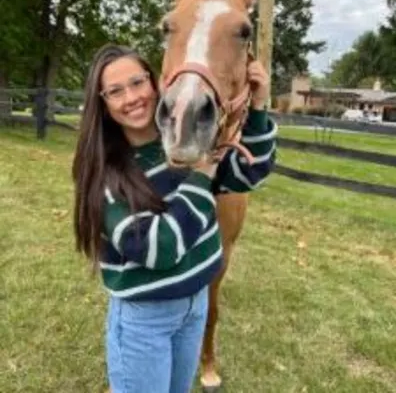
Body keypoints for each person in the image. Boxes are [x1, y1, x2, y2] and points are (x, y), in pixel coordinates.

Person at [72, 43, 277, 393]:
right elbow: (160, 247)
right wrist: (203, 174)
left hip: (195, 308)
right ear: (103, 104)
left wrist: (257, 107)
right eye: (116, 91)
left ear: (156, 83)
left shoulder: (186, 143)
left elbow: (249, 173)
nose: (132, 97)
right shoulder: (103, 173)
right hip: (144, 321)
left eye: (137, 83)